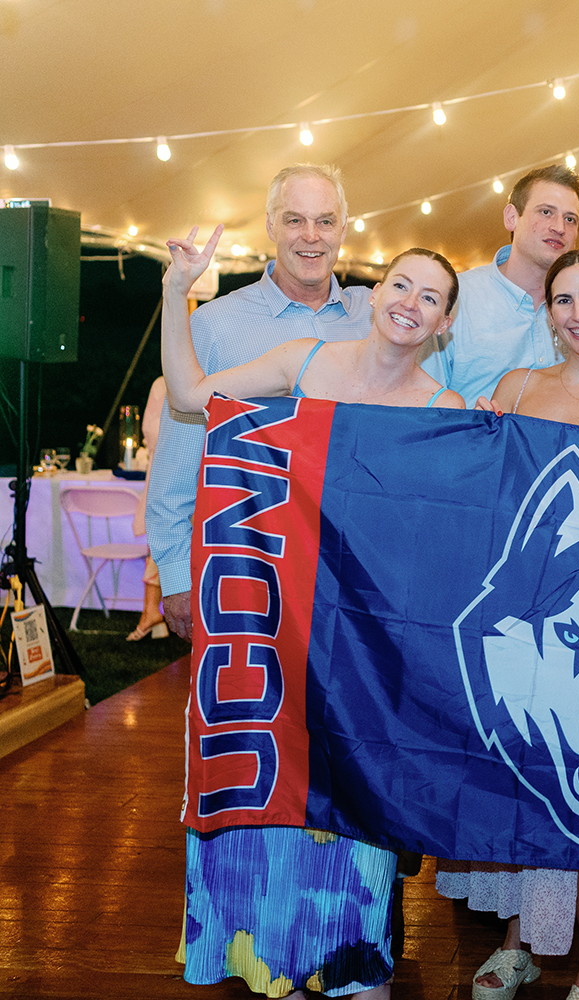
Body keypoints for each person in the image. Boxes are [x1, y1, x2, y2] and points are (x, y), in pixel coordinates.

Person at [160, 225, 464, 999]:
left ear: (443, 325)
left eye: (431, 297)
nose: (410, 303)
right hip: (279, 618)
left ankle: (353, 959)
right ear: (376, 292)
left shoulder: (444, 406)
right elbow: (194, 396)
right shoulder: (304, 360)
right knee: (278, 784)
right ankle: (280, 960)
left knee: (353, 799)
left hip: (368, 645)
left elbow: (439, 540)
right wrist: (176, 289)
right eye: (401, 284)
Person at [437, 249, 579, 1000]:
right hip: (523, 626)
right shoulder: (518, 387)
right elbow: (482, 495)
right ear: (550, 313)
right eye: (563, 300)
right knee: (525, 783)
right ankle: (520, 942)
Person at [147, 163, 373, 642]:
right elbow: (178, 460)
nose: (311, 236)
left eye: (325, 221)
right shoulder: (216, 324)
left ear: (343, 229)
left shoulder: (373, 318)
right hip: (249, 567)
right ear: (271, 225)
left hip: (355, 576)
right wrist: (176, 576)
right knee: (250, 713)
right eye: (294, 220)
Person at [421, 163, 579, 405]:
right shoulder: (458, 298)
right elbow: (424, 405)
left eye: (570, 219)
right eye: (546, 212)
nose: (559, 228)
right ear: (511, 218)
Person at [128, 375, 168, 641]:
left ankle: (152, 614)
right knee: (160, 541)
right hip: (169, 470)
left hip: (204, 471)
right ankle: (151, 612)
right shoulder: (162, 383)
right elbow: (151, 432)